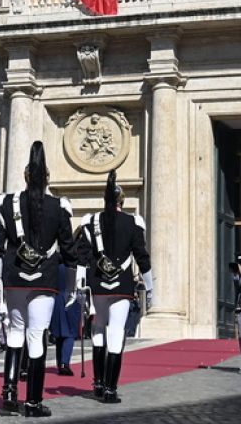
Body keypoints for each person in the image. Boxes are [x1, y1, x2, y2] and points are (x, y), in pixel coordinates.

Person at [0, 142, 77, 417]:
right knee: (37, 335)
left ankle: (10, 392)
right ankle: (34, 402)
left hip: (15, 276)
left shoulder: (5, 203)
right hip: (45, 279)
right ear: (47, 178)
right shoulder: (60, 207)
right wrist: (72, 286)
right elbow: (68, 250)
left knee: (15, 332)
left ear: (26, 177)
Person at [75, 170, 152, 403]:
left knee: (99, 328)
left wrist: (80, 285)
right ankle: (110, 389)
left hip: (98, 283)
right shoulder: (133, 222)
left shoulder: (91, 222)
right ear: (122, 202)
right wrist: (149, 287)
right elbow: (142, 256)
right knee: (116, 332)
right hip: (121, 285)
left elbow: (83, 256)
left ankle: (97, 383)